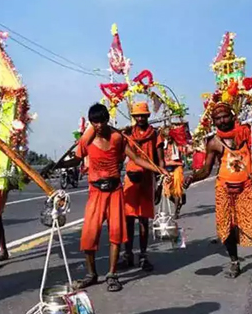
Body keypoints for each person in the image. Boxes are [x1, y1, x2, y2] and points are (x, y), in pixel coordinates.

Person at [56, 103, 168, 292]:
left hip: (115, 191)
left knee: (116, 234)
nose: (98, 126)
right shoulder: (87, 139)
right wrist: (56, 165)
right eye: (94, 122)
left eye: (101, 121)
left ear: (107, 120)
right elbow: (77, 158)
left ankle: (112, 274)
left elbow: (137, 158)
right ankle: (91, 274)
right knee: (89, 235)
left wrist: (159, 169)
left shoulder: (118, 138)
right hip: (96, 192)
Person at [185, 101, 252, 284]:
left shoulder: (246, 134)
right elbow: (206, 169)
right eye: (218, 119)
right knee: (228, 228)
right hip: (224, 190)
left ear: (233, 116)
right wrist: (191, 179)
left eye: (225, 116)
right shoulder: (213, 142)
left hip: (246, 189)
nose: (222, 121)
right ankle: (234, 262)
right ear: (213, 122)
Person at [120, 101, 162, 271]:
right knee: (128, 218)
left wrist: (160, 181)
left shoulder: (155, 134)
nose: (140, 118)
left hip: (147, 178)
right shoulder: (128, 134)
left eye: (143, 115)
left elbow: (160, 160)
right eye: (137, 116)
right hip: (131, 177)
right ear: (134, 117)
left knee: (143, 219)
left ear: (147, 116)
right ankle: (128, 254)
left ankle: (143, 255)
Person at [157, 123, 189, 218]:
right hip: (166, 169)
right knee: (167, 192)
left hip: (177, 168)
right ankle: (179, 201)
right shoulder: (162, 145)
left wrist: (187, 148)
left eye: (169, 136)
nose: (168, 139)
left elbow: (186, 150)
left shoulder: (177, 144)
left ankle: (175, 211)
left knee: (176, 190)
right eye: (166, 137)